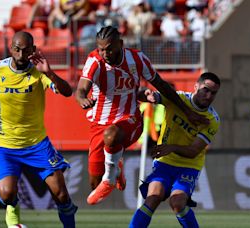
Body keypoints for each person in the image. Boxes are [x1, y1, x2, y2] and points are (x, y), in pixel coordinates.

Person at [75, 26, 209, 205]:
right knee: (94, 185)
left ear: (120, 44)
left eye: (109, 48)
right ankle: (116, 167)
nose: (104, 53)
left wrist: (187, 111)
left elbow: (161, 85)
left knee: (112, 135)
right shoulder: (94, 61)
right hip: (99, 124)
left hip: (130, 119)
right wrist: (82, 98)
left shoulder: (137, 59)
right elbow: (81, 89)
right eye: (100, 49)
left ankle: (110, 176)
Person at [0, 31, 77, 227]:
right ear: (11, 49)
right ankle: (12, 212)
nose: (20, 55)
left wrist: (49, 73)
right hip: (4, 145)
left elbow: (67, 92)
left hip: (37, 145)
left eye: (25, 51)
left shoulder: (39, 73)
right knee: (7, 193)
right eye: (17, 50)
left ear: (33, 50)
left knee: (61, 195)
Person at [129, 72, 221, 228]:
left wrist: (171, 147)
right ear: (196, 86)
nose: (209, 95)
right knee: (153, 197)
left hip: (189, 165)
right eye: (206, 89)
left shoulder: (211, 120)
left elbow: (193, 151)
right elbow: (144, 96)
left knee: (177, 202)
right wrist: (145, 94)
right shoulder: (177, 98)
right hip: (165, 162)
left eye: (213, 93)